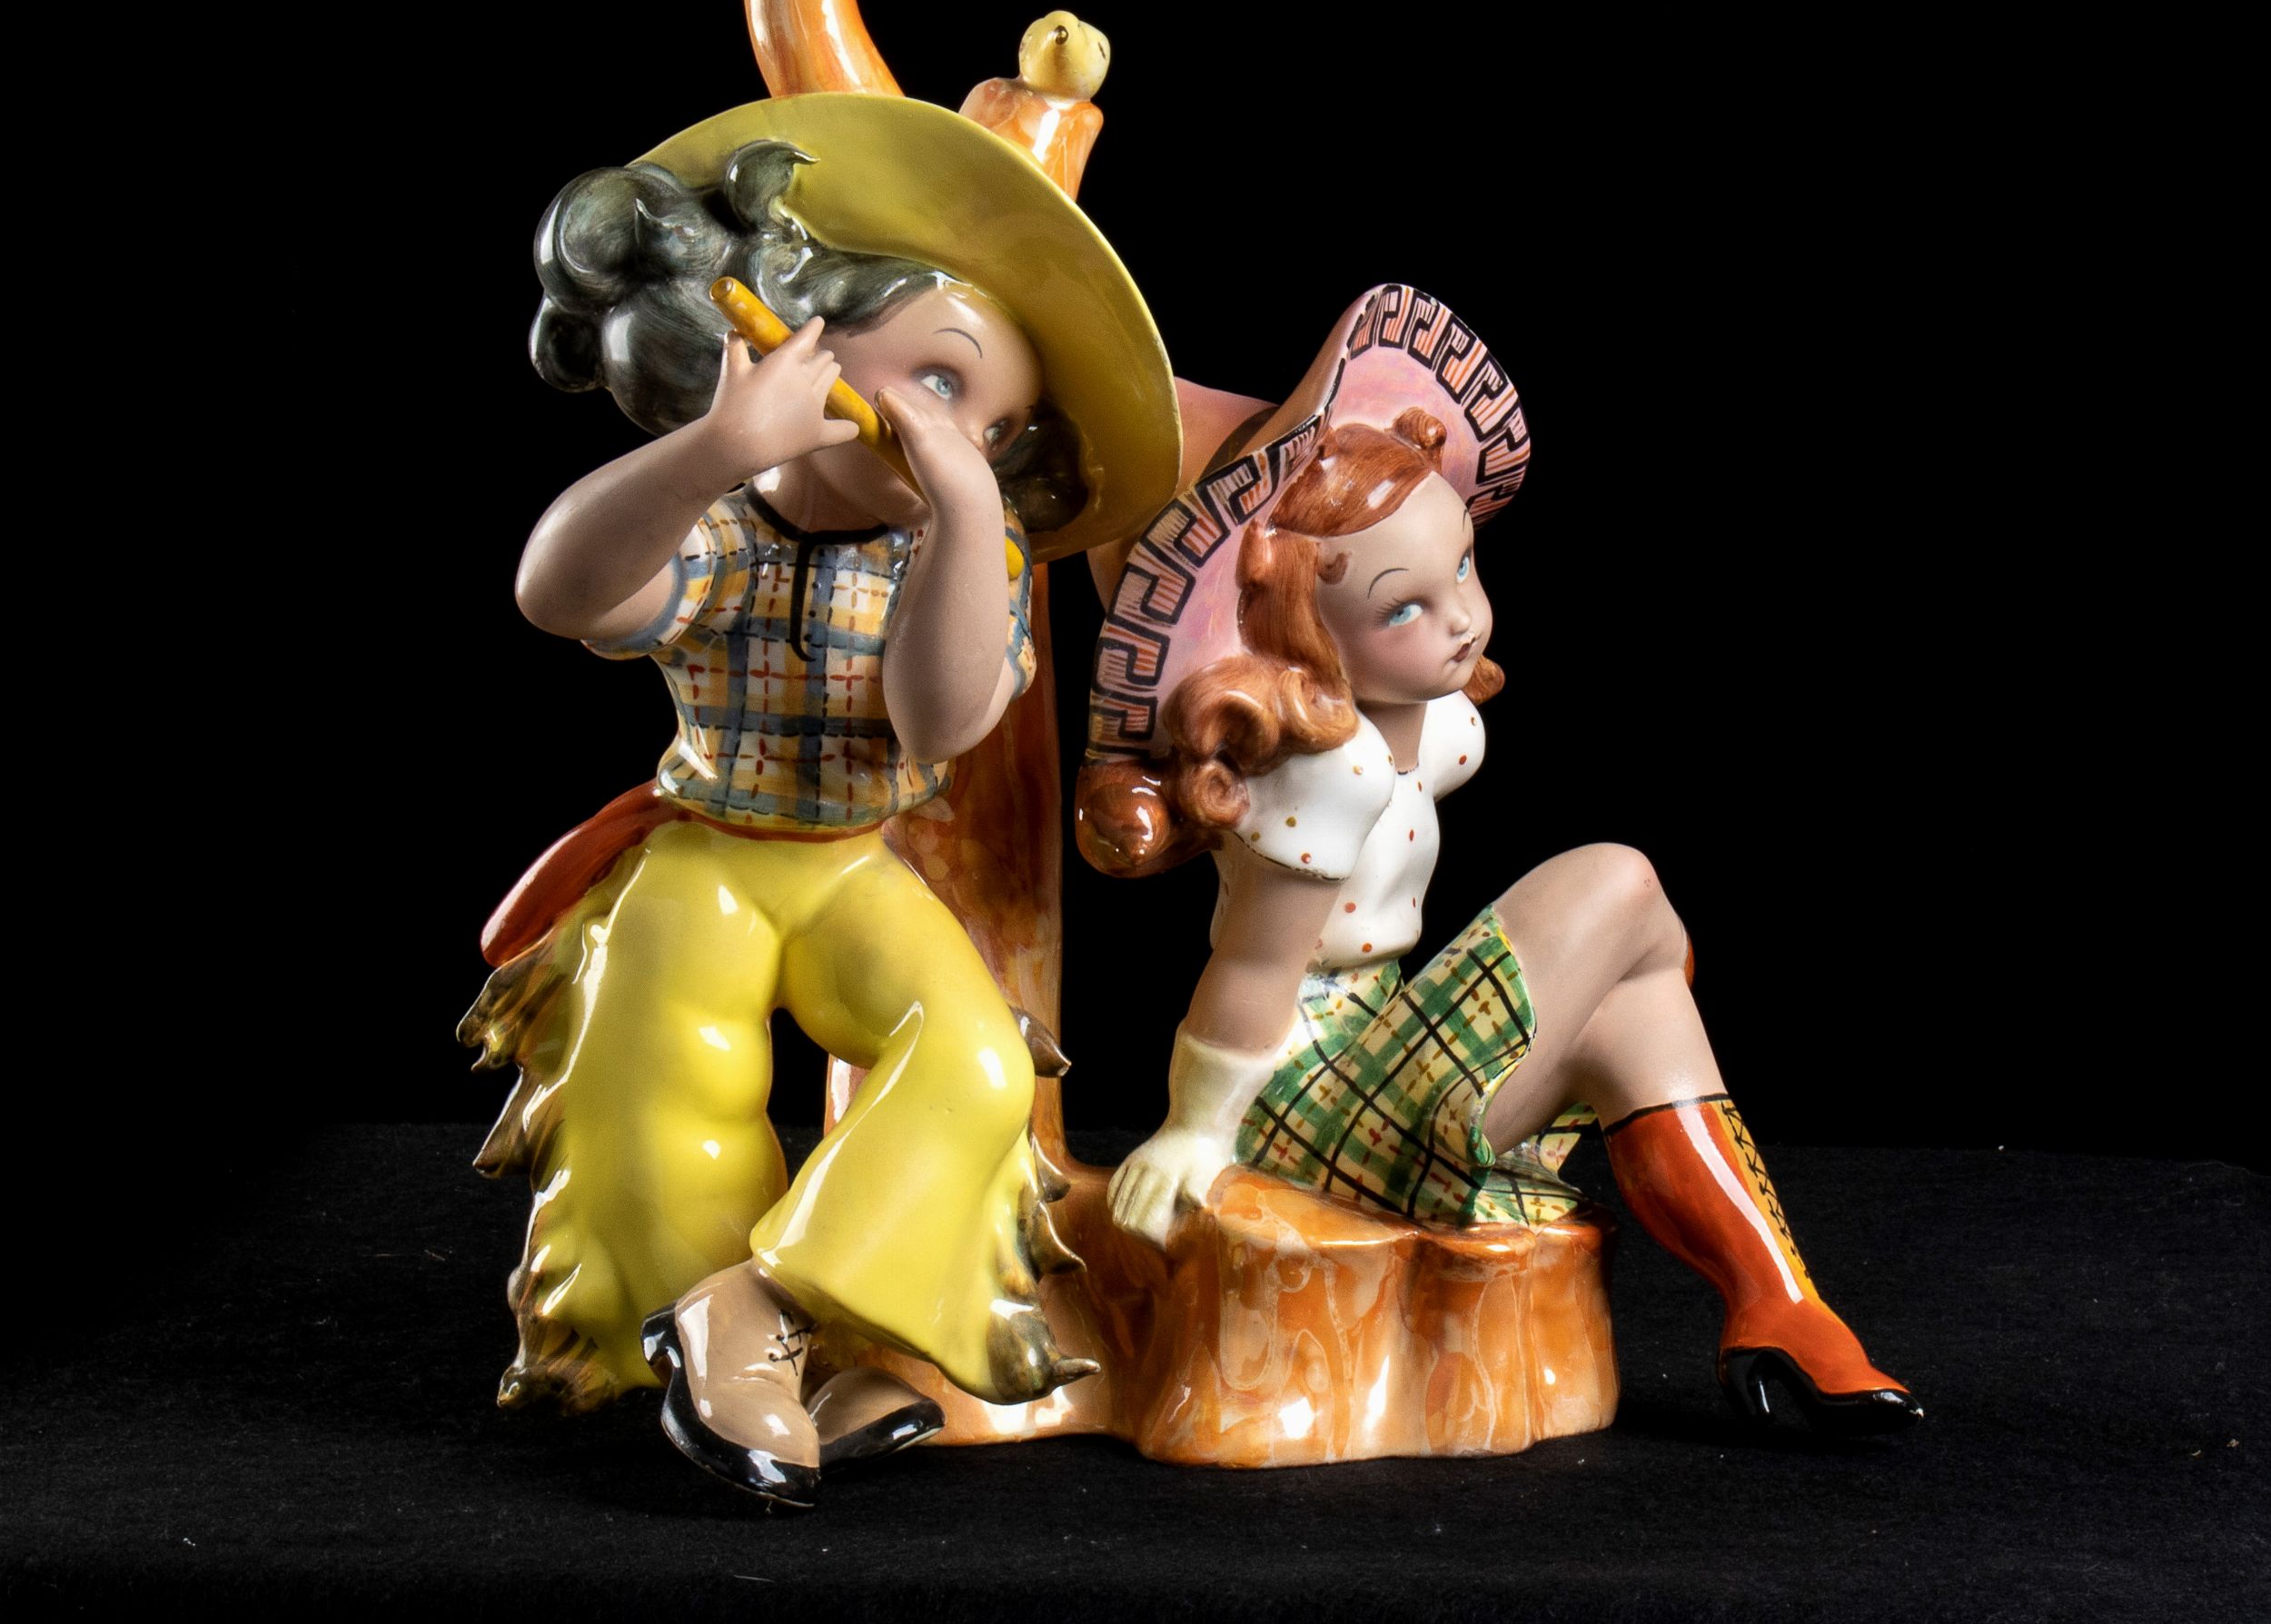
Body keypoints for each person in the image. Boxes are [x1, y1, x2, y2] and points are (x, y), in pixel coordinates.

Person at [462, 92, 1179, 1506]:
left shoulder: (964, 556)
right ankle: (710, 1350)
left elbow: (940, 715)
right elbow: (559, 589)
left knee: (974, 1063)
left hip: (853, 865)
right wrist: (718, 447)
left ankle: (767, 1310)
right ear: (809, 340)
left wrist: (965, 515)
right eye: (943, 378)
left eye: (999, 422)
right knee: (656, 1070)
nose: (965, 433)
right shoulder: (723, 520)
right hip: (708, 849)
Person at [1076, 291, 1920, 1437]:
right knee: (1617, 882)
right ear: (1299, 633)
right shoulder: (1321, 769)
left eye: (1462, 569)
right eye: (1404, 608)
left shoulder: (1434, 726)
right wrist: (1194, 1130)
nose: (1463, 618)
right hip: (1300, 1097)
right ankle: (1772, 1294)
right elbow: (1254, 968)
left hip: (1383, 1043)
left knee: (1635, 1004)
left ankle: (1776, 1301)